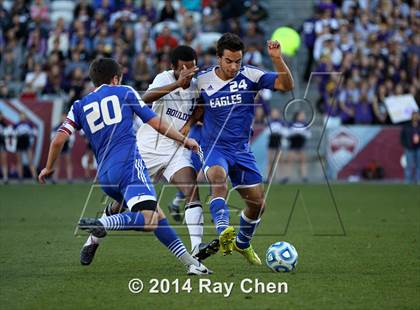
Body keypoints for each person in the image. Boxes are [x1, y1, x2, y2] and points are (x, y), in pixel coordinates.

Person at [38, 58, 211, 275]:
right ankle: (105, 223)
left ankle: (192, 265)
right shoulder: (124, 92)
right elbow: (155, 123)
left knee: (157, 217)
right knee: (150, 220)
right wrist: (185, 140)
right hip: (129, 165)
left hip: (105, 175)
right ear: (115, 78)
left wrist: (48, 167)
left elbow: (57, 140)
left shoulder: (79, 105)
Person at [84, 46, 219, 262]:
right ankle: (92, 241)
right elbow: (145, 98)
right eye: (184, 67)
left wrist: (190, 123)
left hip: (175, 150)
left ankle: (196, 248)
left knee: (191, 190)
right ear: (173, 67)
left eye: (192, 66)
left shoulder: (196, 86)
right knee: (123, 203)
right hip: (147, 148)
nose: (189, 71)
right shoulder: (163, 78)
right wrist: (177, 84)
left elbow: (200, 106)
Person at [182, 33, 294, 264]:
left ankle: (242, 243)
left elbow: (286, 85)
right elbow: (198, 108)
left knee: (257, 205)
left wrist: (277, 59)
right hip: (214, 146)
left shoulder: (251, 75)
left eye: (238, 61)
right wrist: (187, 126)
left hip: (242, 149)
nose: (234, 66)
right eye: (229, 61)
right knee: (217, 178)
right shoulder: (202, 80)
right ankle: (224, 230)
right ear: (218, 58)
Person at [51, 113, 75, 183]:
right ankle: (54, 178)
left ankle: (69, 178)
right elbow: (52, 137)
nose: (63, 118)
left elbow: (72, 137)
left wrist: (70, 144)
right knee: (57, 163)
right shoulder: (56, 127)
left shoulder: (69, 127)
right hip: (59, 146)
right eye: (62, 117)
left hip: (66, 145)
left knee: (68, 161)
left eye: (64, 117)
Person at [15, 113, 37, 180]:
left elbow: (34, 133)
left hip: (27, 144)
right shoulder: (16, 125)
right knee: (19, 161)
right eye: (21, 117)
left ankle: (35, 176)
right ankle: (20, 177)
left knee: (30, 161)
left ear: (25, 117)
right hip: (19, 144)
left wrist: (30, 141)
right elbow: (13, 134)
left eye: (23, 116)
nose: (22, 118)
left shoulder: (29, 125)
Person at [400, 111, 420, 184]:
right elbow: (402, 137)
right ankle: (408, 181)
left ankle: (418, 180)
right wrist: (406, 145)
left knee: (419, 165)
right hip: (409, 148)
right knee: (409, 165)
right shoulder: (407, 125)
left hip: (418, 148)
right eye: (414, 115)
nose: (415, 117)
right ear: (411, 116)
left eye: (416, 115)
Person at [0, 112, 9, 183]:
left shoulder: (4, 124)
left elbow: (8, 134)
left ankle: (5, 177)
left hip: (2, 145)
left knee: (4, 161)